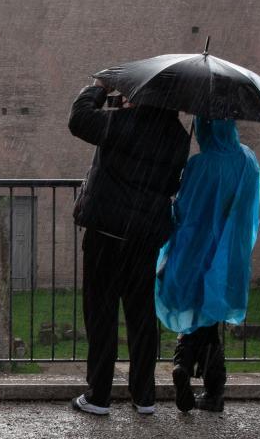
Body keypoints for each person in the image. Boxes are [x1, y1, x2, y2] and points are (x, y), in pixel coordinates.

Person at [68, 84, 190, 417]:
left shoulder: (121, 123)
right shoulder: (179, 138)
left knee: (102, 312)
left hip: (107, 231)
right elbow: (170, 186)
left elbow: (78, 120)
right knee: (140, 314)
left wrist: (96, 90)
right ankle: (144, 395)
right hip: (145, 236)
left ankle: (99, 395)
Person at [156, 117, 260, 413]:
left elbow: (183, 208)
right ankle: (212, 390)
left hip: (196, 251)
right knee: (212, 319)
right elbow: (250, 209)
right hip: (230, 255)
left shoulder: (200, 164)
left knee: (196, 312)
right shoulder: (248, 160)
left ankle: (183, 363)